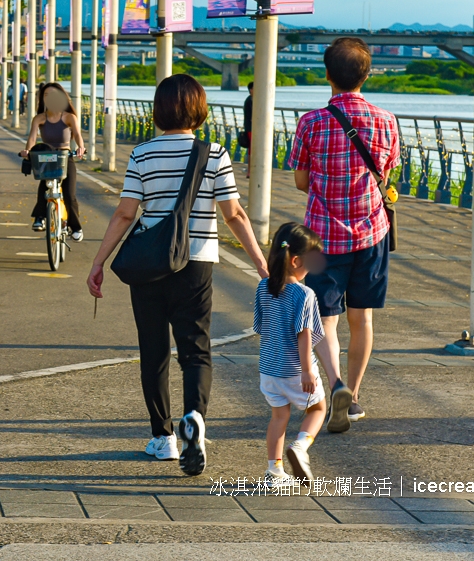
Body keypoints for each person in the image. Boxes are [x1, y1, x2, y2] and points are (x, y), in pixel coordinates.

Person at [86, 74, 269, 477]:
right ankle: (195, 422)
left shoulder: (143, 154)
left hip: (149, 265)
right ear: (199, 109)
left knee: (153, 351)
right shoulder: (215, 154)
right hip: (197, 263)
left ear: (159, 109)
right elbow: (234, 214)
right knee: (195, 350)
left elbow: (125, 213)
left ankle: (163, 437)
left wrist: (99, 261)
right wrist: (259, 260)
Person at [288, 37, 400, 434]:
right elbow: (386, 174)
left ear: (327, 75)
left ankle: (333, 383)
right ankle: (351, 397)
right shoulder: (387, 121)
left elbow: (301, 180)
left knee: (325, 321)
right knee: (362, 318)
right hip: (372, 233)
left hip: (323, 239)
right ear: (367, 74)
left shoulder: (312, 122)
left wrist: (324, 188)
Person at [256, 222, 329, 486]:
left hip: (269, 369)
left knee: (279, 417)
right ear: (297, 260)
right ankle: (300, 447)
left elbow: (261, 326)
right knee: (319, 408)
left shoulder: (263, 287)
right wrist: (308, 370)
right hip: (295, 370)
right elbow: (304, 334)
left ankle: (274, 472)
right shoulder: (304, 294)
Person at [18, 83, 86, 241]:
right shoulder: (39, 119)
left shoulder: (69, 117)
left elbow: (77, 135)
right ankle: (40, 217)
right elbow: (32, 138)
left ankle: (75, 227)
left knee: (69, 194)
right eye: (46, 95)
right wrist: (27, 151)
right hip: (46, 157)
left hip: (64, 156)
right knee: (44, 187)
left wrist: (81, 148)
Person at [240, 81, 254, 178]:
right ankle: (250, 171)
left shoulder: (250, 100)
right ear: (251, 90)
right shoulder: (250, 101)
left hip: (251, 128)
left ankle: (251, 170)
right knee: (252, 150)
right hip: (251, 128)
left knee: (252, 150)